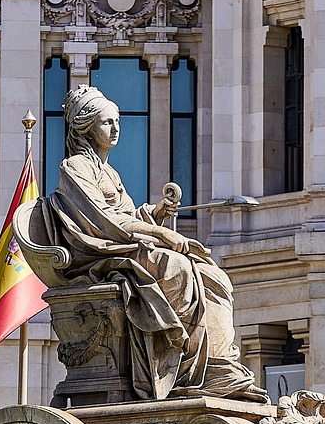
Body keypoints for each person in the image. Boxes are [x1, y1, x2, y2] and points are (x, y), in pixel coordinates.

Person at [18, 84, 267, 403]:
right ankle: (182, 366)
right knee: (176, 266)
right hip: (98, 256)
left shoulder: (109, 172)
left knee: (211, 274)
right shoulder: (76, 167)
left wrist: (154, 215)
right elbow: (102, 223)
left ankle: (213, 365)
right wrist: (161, 234)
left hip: (123, 247)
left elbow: (124, 216)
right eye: (107, 122)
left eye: (117, 121)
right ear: (87, 126)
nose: (115, 128)